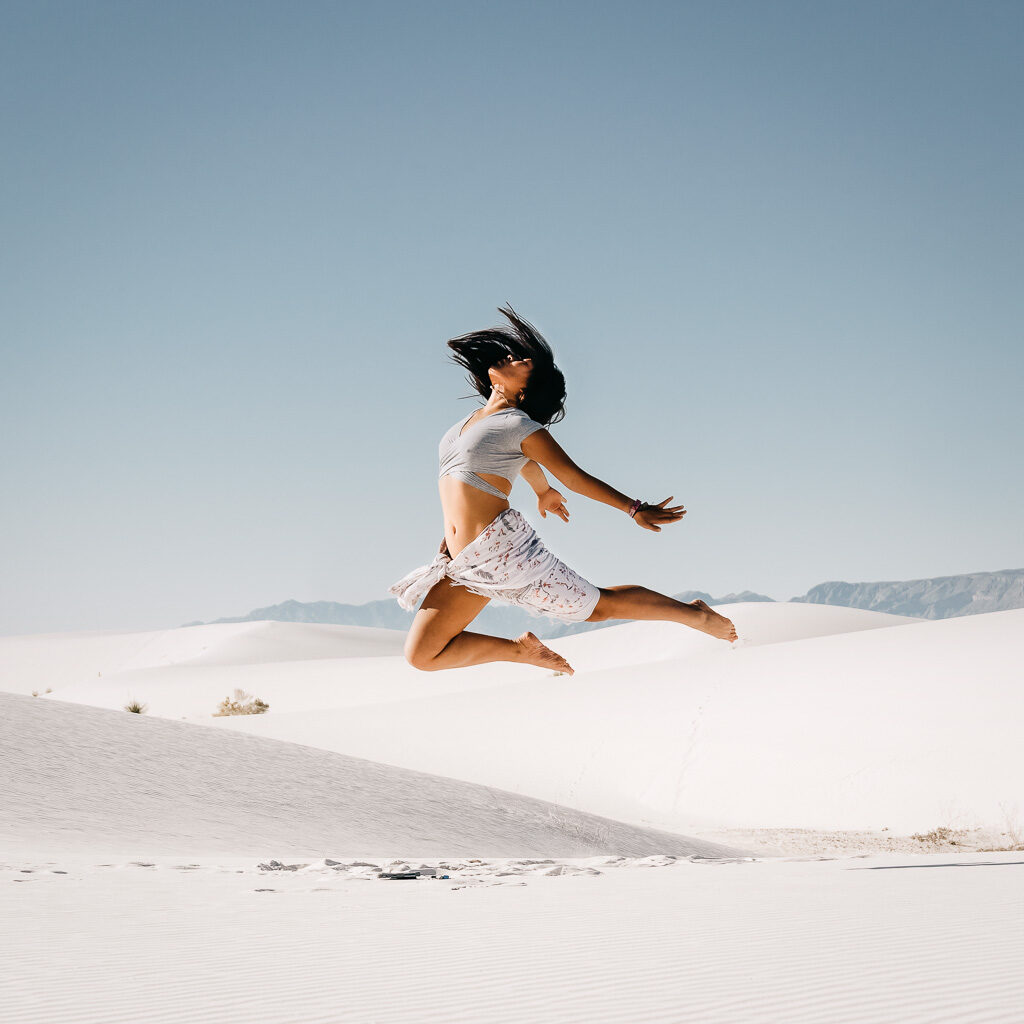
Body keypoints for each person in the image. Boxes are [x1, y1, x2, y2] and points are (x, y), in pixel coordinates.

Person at [389, 305, 738, 676]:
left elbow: (574, 477)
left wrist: (633, 508)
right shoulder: (474, 422)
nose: (517, 358)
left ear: (525, 390)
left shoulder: (519, 423)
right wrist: (542, 492)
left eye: (526, 364)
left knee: (599, 606)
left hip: (503, 555)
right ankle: (523, 652)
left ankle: (695, 615)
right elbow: (516, 462)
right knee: (422, 655)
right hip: (466, 563)